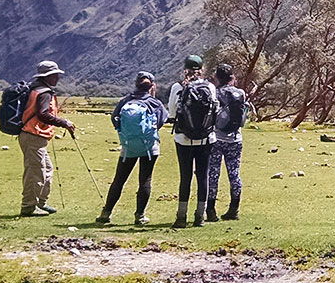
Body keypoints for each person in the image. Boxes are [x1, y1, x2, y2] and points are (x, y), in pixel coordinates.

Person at [97, 70, 168, 226]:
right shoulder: (155, 103)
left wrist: (126, 134)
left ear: (136, 84)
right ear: (152, 86)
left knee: (119, 180)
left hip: (128, 146)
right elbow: (162, 121)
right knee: (145, 180)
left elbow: (115, 120)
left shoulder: (125, 101)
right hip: (149, 147)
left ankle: (106, 213)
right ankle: (139, 216)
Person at [167, 55, 219, 229]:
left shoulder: (178, 87)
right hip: (206, 139)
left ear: (185, 69)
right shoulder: (210, 87)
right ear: (202, 69)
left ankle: (181, 217)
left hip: (183, 138)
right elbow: (215, 110)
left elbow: (172, 113)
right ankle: (199, 217)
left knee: (185, 176)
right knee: (203, 176)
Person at [19, 60, 75, 217]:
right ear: (47, 76)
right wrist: (64, 123)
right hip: (33, 135)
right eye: (54, 75)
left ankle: (40, 203)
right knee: (35, 172)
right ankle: (28, 207)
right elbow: (43, 115)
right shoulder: (43, 93)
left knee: (47, 169)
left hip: (34, 136)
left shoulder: (35, 89)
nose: (57, 78)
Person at [207, 63, 250, 221]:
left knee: (213, 173)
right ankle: (234, 209)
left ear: (217, 78)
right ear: (232, 77)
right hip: (235, 139)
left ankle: (211, 210)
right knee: (234, 174)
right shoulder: (241, 93)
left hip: (216, 139)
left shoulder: (215, 93)